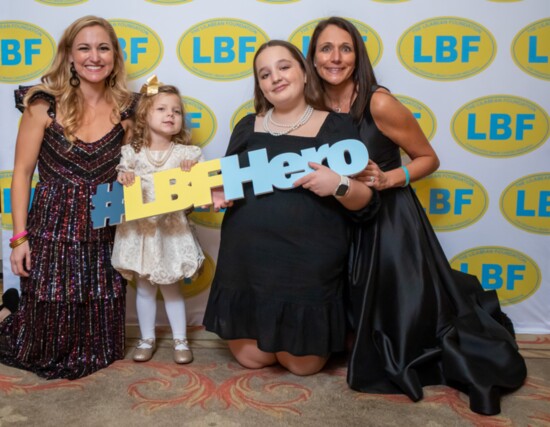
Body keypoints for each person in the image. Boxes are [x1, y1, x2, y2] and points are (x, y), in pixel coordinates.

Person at [306, 17, 527, 415]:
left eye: (345, 48)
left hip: (389, 224)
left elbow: (429, 158)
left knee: (399, 330)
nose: (335, 57)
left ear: (357, 56)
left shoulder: (378, 102)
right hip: (339, 219)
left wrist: (390, 178)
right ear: (313, 57)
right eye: (326, 48)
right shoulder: (313, 107)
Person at [203, 40, 377, 376]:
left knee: (302, 365)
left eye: (284, 67)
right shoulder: (246, 126)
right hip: (247, 265)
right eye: (264, 74)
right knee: (253, 358)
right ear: (260, 85)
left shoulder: (335, 126)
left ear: (303, 71)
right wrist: (218, 193)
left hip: (306, 266)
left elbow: (367, 202)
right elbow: (227, 185)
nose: (275, 78)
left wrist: (337, 184)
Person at [0, 16, 137, 379]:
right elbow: (23, 174)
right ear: (70, 56)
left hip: (103, 228)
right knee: (41, 347)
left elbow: (139, 169)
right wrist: (19, 239)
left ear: (115, 56)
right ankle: (8, 312)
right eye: (85, 48)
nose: (95, 56)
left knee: (103, 350)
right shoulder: (43, 105)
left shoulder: (129, 111)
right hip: (52, 229)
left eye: (103, 47)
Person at [111, 79, 204, 365]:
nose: (170, 115)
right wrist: (124, 177)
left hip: (169, 231)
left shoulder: (187, 154)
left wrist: (192, 172)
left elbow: (196, 195)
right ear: (144, 116)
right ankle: (146, 338)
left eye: (176, 111)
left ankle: (180, 340)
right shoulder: (132, 154)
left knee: (172, 287)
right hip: (140, 231)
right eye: (162, 109)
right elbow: (122, 180)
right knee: (145, 287)